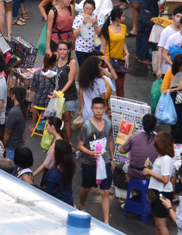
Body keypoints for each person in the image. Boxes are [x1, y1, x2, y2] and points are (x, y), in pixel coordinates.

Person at [77, 96, 114, 224]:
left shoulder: (108, 124)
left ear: (105, 109)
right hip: (89, 163)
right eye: (96, 108)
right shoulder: (86, 126)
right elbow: (80, 146)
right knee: (86, 188)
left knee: (105, 191)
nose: (98, 111)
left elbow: (109, 141)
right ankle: (82, 204)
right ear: (91, 109)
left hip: (105, 162)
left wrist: (112, 158)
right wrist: (91, 153)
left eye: (101, 108)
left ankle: (106, 223)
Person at [146, 131, 176, 235]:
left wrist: (149, 172)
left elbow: (165, 179)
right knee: (158, 225)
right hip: (157, 191)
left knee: (161, 225)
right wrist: (151, 168)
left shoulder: (166, 159)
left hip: (163, 193)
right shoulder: (160, 157)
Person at [100, 7, 130, 97]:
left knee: (120, 86)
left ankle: (120, 107)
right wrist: (101, 61)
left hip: (120, 60)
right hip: (108, 61)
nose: (124, 18)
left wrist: (127, 54)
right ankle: (106, 107)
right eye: (123, 16)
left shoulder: (124, 27)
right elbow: (103, 47)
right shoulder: (106, 30)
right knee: (106, 86)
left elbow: (123, 42)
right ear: (117, 18)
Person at [121, 114, 159, 180]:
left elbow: (122, 150)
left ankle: (133, 190)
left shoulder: (134, 136)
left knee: (125, 171)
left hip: (134, 172)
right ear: (155, 125)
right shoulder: (159, 139)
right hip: (151, 173)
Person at [44, 139, 75, 206]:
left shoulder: (53, 172)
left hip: (57, 203)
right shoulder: (72, 165)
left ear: (57, 153)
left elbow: (49, 193)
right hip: (69, 201)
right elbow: (73, 153)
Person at [3, 86, 27, 160]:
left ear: (14, 96)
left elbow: (8, 131)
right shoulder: (23, 110)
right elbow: (23, 130)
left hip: (11, 148)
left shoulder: (14, 112)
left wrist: (3, 146)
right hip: (19, 145)